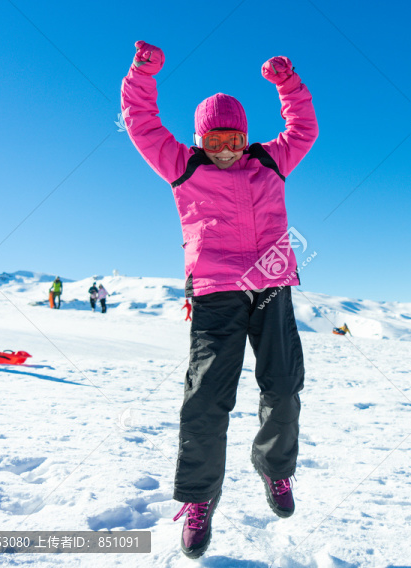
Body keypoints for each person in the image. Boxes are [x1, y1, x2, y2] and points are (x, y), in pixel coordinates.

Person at [121, 40, 317, 559]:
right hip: (216, 291)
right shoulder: (182, 167)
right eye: (214, 140)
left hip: (271, 286)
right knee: (207, 398)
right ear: (199, 139)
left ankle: (276, 471)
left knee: (282, 385)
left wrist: (287, 84)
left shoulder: (270, 163)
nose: (225, 149)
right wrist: (144, 74)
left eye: (233, 139)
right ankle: (200, 498)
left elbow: (304, 130)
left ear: (246, 137)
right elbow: (140, 122)